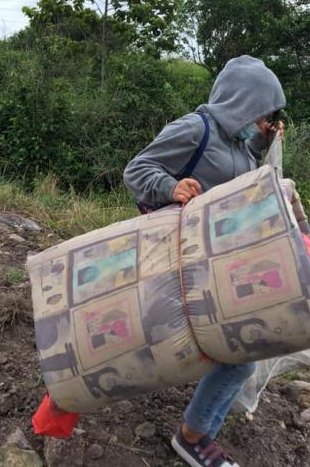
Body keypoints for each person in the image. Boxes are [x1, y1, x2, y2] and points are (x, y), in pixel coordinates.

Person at [123, 55, 286, 467]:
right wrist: (171, 186)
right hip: (174, 258)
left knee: (243, 353)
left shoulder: (240, 147)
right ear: (243, 102)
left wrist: (262, 144)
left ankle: (196, 433)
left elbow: (236, 182)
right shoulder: (196, 128)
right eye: (263, 112)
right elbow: (136, 169)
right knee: (240, 353)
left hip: (211, 267)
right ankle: (192, 438)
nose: (264, 119)